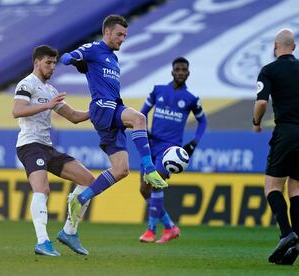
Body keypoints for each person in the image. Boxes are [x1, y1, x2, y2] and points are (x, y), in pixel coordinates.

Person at [60, 15, 167, 226]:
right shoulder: (93, 48)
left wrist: (84, 66)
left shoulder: (113, 58)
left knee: (121, 170)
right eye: (119, 34)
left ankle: (79, 199)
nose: (122, 39)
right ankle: (150, 170)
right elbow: (65, 57)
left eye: (125, 36)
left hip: (109, 114)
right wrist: (76, 61)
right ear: (107, 32)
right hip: (103, 107)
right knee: (138, 118)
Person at [252, 28, 299, 265]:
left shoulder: (269, 70)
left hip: (286, 132)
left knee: (272, 186)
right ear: (293, 47)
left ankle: (287, 234)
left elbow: (262, 102)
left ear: (275, 46)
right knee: (296, 189)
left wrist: (256, 122)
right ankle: (295, 246)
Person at [13, 45, 95, 256]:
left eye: (54, 64)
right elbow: (17, 111)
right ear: (37, 62)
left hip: (47, 147)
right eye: (48, 63)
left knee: (88, 180)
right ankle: (42, 242)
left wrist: (96, 109)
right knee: (42, 190)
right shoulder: (27, 84)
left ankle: (69, 231)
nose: (52, 68)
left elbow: (74, 116)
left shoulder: (51, 91)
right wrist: (47, 106)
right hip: (29, 145)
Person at [138, 57, 207, 243]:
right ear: (172, 71)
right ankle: (169, 227)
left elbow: (203, 121)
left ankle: (151, 230)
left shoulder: (191, 99)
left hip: (170, 150)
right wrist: (142, 128)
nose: (181, 72)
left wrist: (194, 142)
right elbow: (142, 113)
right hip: (151, 145)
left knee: (156, 181)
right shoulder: (158, 90)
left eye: (184, 70)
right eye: (178, 69)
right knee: (144, 190)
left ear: (188, 73)